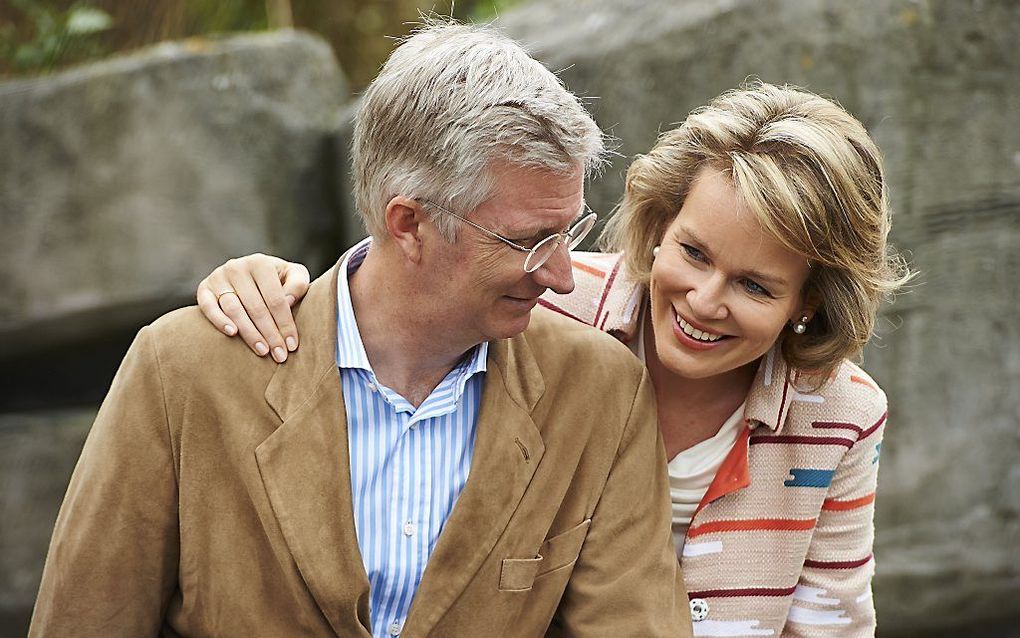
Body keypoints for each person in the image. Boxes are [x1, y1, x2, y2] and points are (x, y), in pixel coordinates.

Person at [31, 21, 692, 638]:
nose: (561, 276)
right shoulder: (182, 370)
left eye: (569, 230)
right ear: (408, 224)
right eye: (528, 240)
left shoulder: (601, 393)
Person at [200, 81, 914, 636]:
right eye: (693, 253)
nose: (704, 299)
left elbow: (829, 623)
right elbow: (398, 301)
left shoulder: (842, 417)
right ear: (660, 223)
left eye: (756, 286)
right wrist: (270, 283)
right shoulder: (543, 303)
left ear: (810, 303)